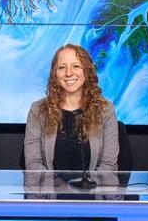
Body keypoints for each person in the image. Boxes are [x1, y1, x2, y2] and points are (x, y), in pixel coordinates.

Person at [23, 44, 118, 172]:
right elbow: (33, 164)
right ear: (54, 74)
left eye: (76, 66)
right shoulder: (38, 110)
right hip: (49, 185)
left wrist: (87, 184)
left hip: (92, 185)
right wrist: (53, 184)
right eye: (62, 67)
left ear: (87, 71)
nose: (68, 73)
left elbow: (108, 165)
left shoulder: (106, 110)